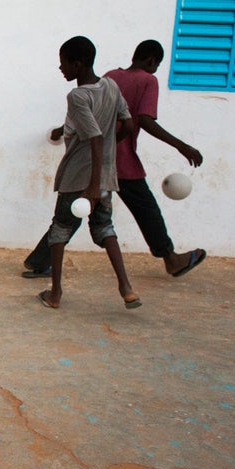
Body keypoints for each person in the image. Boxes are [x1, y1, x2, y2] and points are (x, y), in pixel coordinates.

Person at [23, 40, 206, 278]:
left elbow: (88, 116)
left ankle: (40, 261)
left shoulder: (110, 77)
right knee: (142, 210)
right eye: (157, 64)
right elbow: (144, 121)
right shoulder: (146, 81)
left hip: (92, 160)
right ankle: (169, 260)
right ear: (152, 61)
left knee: (71, 214)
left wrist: (61, 130)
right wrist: (181, 145)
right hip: (117, 161)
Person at [34, 36, 141, 310]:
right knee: (105, 227)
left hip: (80, 177)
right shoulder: (111, 86)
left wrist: (91, 185)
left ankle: (55, 293)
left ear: (77, 65)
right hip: (106, 176)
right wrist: (109, 150)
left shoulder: (78, 96)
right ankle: (126, 288)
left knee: (60, 230)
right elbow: (127, 125)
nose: (61, 69)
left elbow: (93, 137)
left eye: (64, 64)